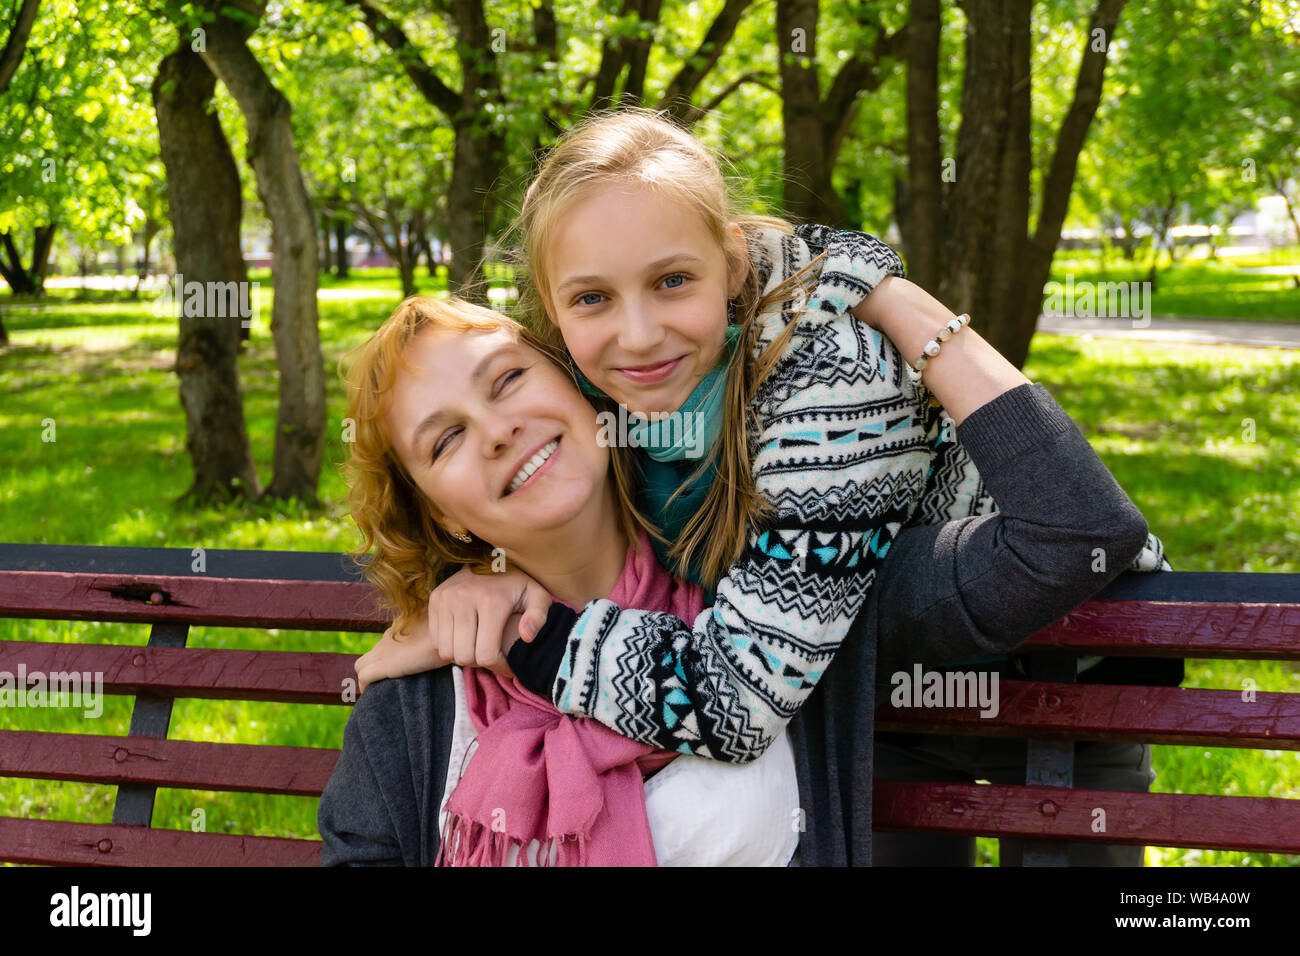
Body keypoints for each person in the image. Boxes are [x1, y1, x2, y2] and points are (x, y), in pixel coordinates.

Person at [349, 107, 1169, 864]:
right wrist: (489, 576)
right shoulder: (595, 386)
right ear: (555, 318)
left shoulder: (830, 378)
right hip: (862, 674)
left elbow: (732, 704)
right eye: (593, 297)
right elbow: (523, 484)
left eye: (673, 281)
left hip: (1053, 668)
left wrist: (523, 635)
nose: (637, 334)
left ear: (732, 262)